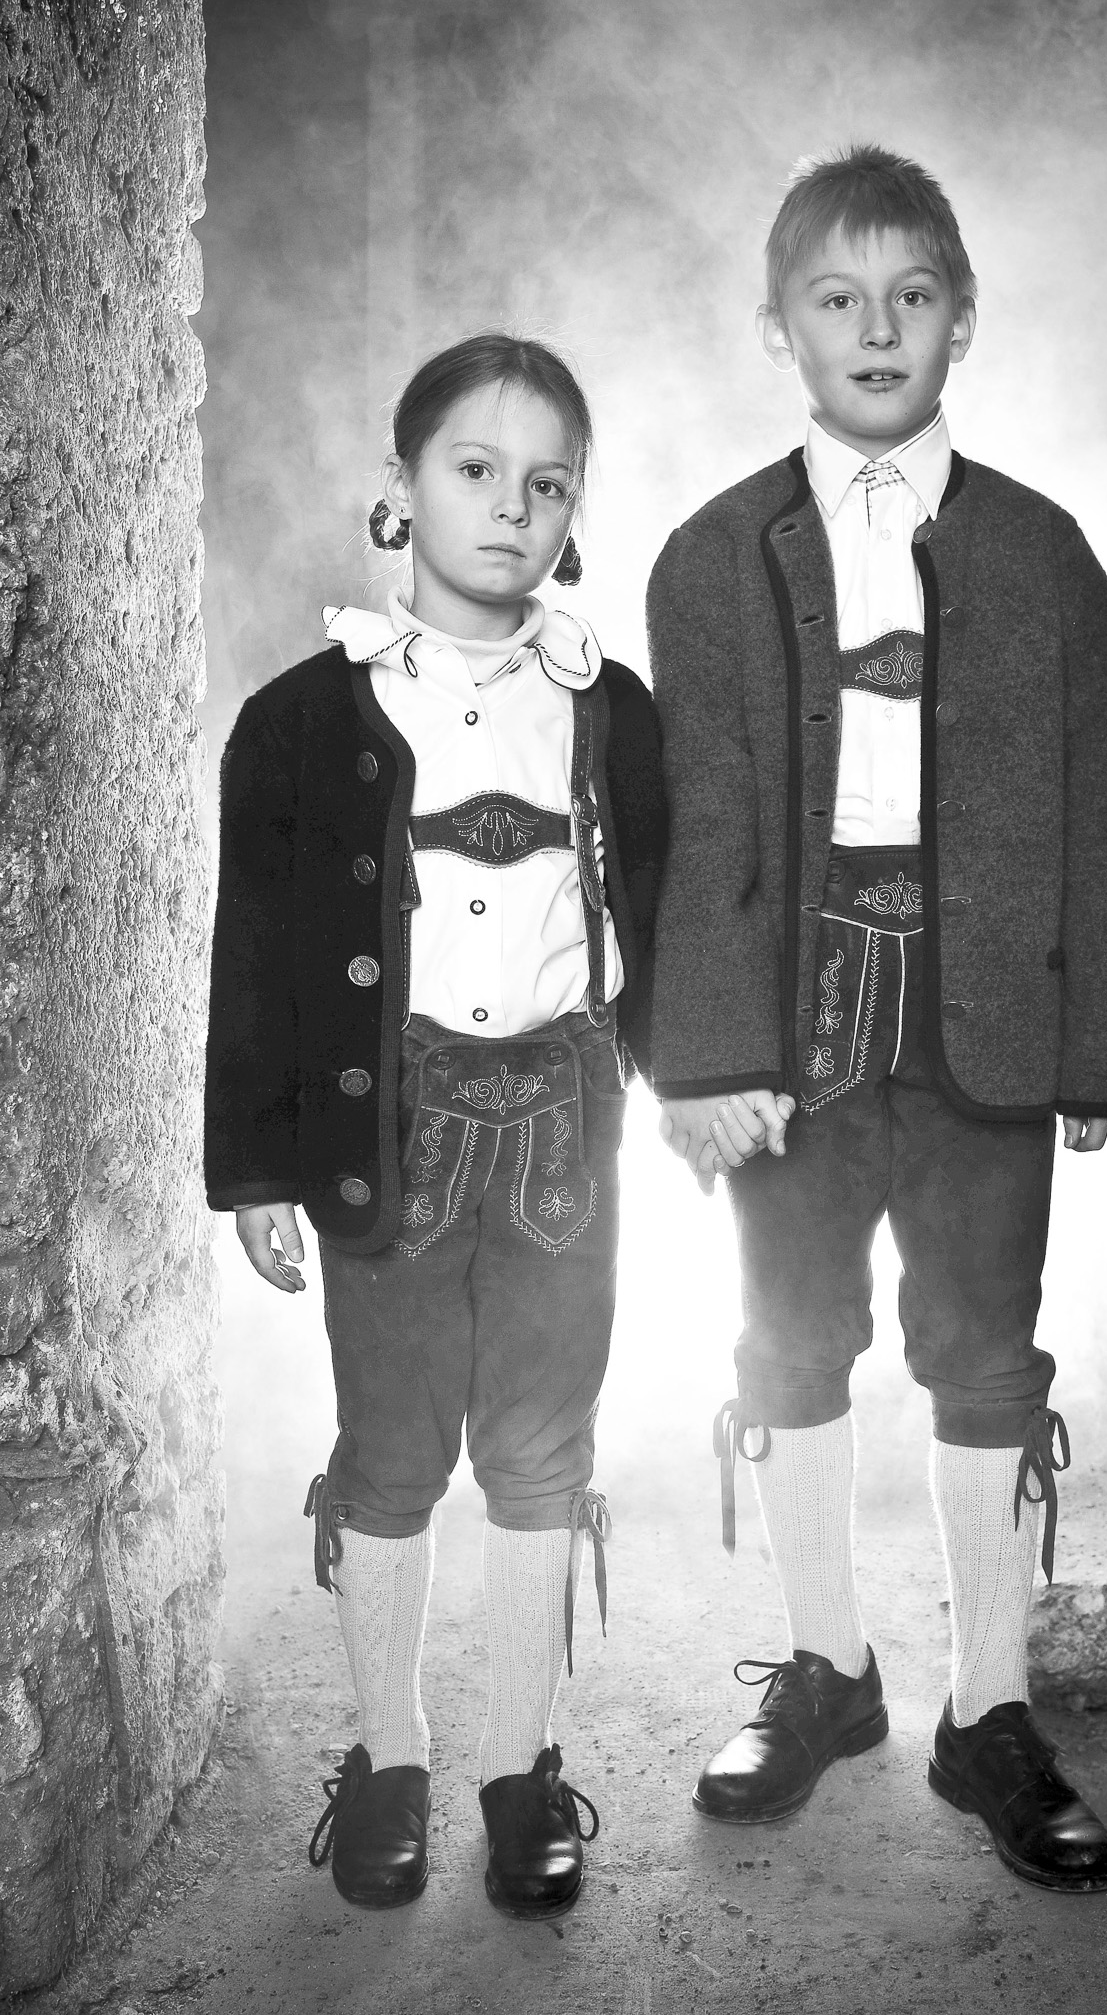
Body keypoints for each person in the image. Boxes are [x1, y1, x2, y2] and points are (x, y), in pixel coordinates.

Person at [647, 144, 1107, 1892]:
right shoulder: (710, 560)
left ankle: (986, 1712)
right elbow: (700, 829)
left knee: (985, 1353)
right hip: (788, 1035)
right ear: (776, 329)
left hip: (986, 1017)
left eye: (911, 295)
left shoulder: (1044, 552)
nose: (876, 329)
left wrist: (1100, 1045)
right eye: (836, 298)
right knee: (791, 1346)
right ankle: (829, 1669)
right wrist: (704, 1060)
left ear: (964, 317)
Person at [204, 334, 666, 1920]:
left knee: (540, 1451)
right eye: (475, 470)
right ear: (399, 488)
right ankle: (389, 1760)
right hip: (383, 1134)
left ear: (574, 515)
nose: (511, 507)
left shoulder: (610, 713)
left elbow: (663, 914)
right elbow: (259, 957)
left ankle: (519, 1770)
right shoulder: (300, 718)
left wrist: (698, 1085)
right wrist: (260, 1164)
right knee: (394, 1449)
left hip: (566, 1131)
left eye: (548, 484)